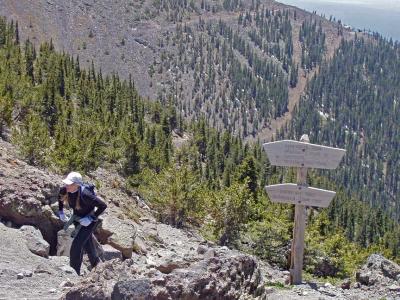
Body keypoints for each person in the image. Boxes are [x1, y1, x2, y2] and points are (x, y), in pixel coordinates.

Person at [58, 171, 107, 275]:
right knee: (87, 244)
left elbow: (103, 205)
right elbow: (60, 197)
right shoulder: (65, 189)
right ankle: (97, 266)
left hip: (88, 222)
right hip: (77, 220)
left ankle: (74, 272)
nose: (67, 185)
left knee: (76, 245)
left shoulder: (86, 195)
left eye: (70, 184)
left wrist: (91, 218)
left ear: (77, 185)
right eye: (67, 183)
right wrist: (61, 211)